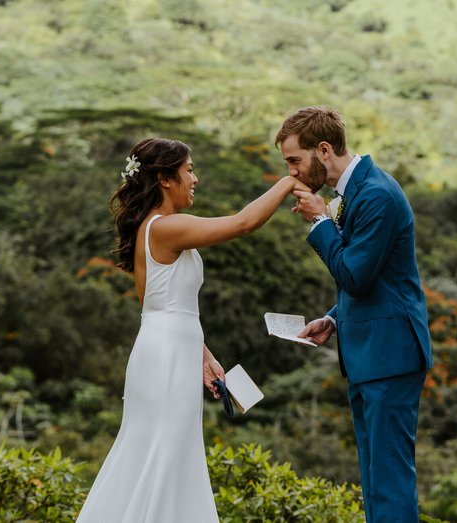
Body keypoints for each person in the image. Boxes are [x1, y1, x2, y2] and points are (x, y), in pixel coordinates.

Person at [76, 137, 308, 523]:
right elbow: (243, 223)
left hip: (167, 349)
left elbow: (162, 306)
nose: (195, 178)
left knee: (166, 450)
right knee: (164, 451)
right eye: (189, 170)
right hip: (165, 358)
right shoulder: (166, 228)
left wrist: (203, 356)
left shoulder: (151, 230)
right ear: (166, 179)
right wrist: (289, 181)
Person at [277, 106, 433, 523]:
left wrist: (319, 223)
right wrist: (333, 318)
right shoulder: (352, 191)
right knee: (374, 480)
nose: (291, 172)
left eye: (295, 160)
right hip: (368, 353)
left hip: (390, 353)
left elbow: (357, 276)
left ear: (323, 150)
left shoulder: (377, 194)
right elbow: (373, 276)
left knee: (389, 482)